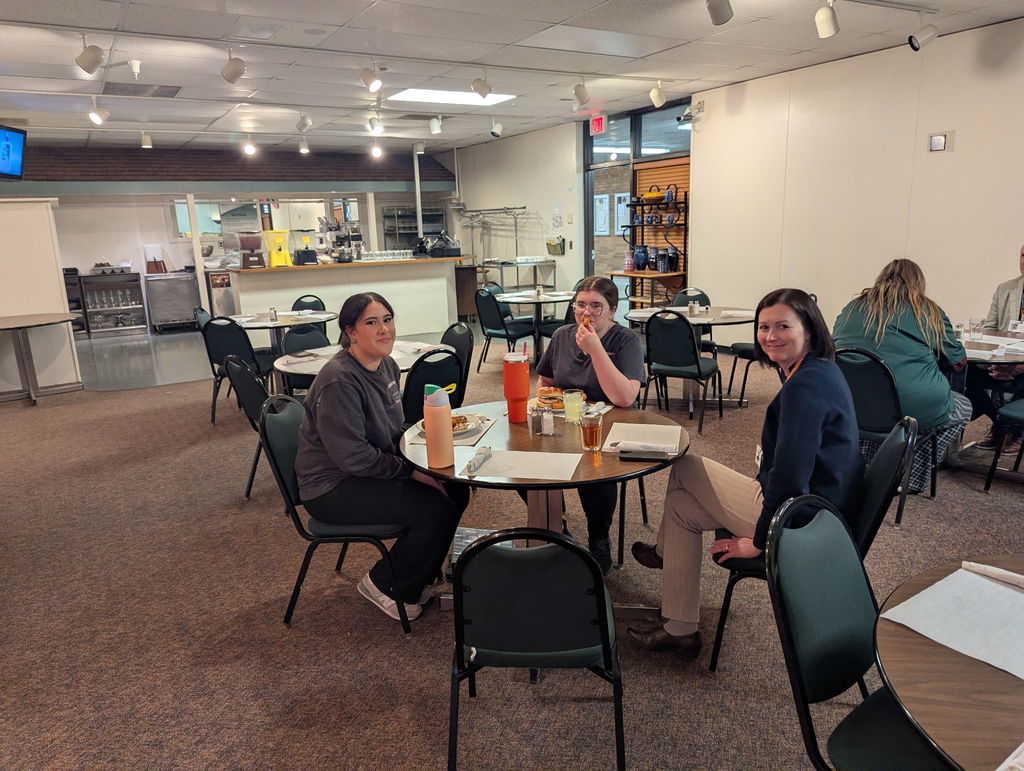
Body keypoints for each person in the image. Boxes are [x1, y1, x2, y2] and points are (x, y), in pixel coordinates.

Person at [628, 288, 863, 658]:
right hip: (816, 504)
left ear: (811, 332)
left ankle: (662, 552)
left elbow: (789, 477)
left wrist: (761, 540)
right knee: (679, 508)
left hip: (801, 514)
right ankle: (680, 629)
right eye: (764, 326)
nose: (771, 336)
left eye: (783, 326)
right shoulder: (817, 372)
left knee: (685, 463)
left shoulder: (806, 387)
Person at [295, 292, 469, 622]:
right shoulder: (339, 381)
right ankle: (386, 585)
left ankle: (420, 569)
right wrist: (414, 473)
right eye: (371, 322)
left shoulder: (386, 364)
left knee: (455, 487)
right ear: (351, 331)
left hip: (366, 470)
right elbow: (354, 458)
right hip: (332, 486)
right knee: (434, 507)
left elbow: (392, 429)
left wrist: (428, 459)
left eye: (387, 320)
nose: (383, 329)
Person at [533, 275, 646, 574]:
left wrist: (595, 349)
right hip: (566, 423)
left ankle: (599, 536)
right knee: (525, 463)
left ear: (612, 310)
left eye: (597, 306)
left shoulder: (626, 341)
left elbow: (624, 398)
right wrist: (546, 397)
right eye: (580, 305)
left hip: (611, 426)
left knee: (596, 470)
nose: (587, 313)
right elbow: (546, 381)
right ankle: (556, 527)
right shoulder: (561, 336)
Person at [833, 258, 972, 491]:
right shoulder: (928, 311)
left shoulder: (852, 307)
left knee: (880, 407)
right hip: (911, 409)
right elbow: (957, 361)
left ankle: (871, 465)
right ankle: (910, 477)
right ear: (918, 283)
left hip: (849, 403)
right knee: (963, 406)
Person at [966, 244, 1024, 452]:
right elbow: (989, 328)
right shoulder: (1005, 289)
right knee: (964, 373)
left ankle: (1016, 432)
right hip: (1001, 362)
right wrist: (995, 361)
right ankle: (1001, 423)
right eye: (1023, 255)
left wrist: (1020, 367)